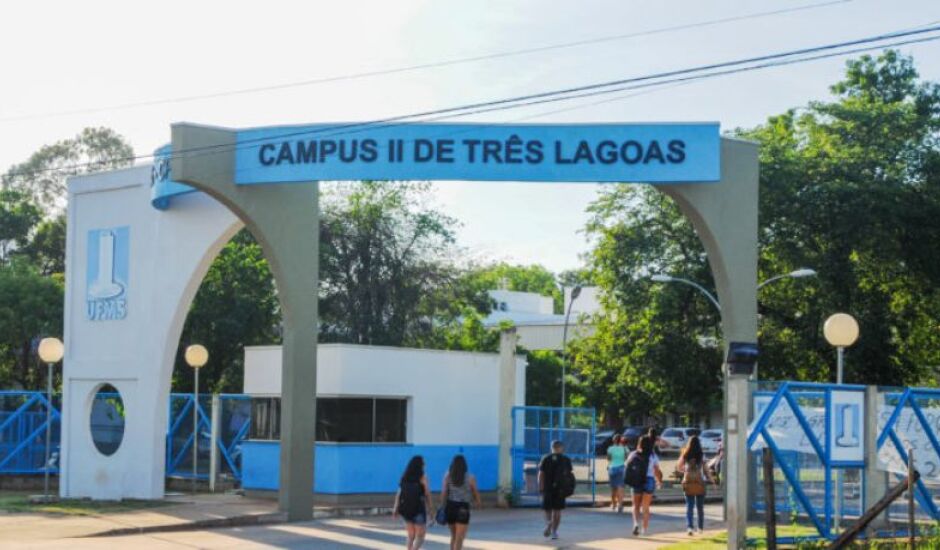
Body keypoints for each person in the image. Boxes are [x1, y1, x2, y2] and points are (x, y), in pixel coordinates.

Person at [441, 454, 482, 550]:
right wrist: (479, 503)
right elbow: (475, 492)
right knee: (459, 538)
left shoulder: (448, 476)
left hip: (450, 507)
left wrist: (443, 505)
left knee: (453, 536)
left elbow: (444, 492)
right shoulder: (470, 477)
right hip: (463, 508)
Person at [392, 455, 433, 550]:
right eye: (423, 463)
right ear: (420, 465)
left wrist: (395, 508)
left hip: (405, 509)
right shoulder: (423, 477)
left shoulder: (404, 476)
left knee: (411, 536)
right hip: (418, 510)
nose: (424, 465)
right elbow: (427, 494)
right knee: (420, 537)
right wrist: (431, 510)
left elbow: (399, 494)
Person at [625, 435, 663, 536]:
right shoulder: (653, 456)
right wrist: (659, 481)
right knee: (645, 507)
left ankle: (636, 524)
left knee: (635, 506)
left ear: (639, 443)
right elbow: (657, 470)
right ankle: (644, 530)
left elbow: (627, 466)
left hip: (636, 480)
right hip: (649, 480)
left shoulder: (634, 454)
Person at [677, 435, 715, 535]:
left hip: (688, 483)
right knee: (700, 507)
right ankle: (700, 528)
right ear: (699, 444)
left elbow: (679, 467)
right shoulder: (701, 456)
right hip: (700, 483)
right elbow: (706, 470)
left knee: (689, 506)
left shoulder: (685, 454)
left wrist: (685, 471)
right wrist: (712, 481)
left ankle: (690, 527)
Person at [538, 439, 573, 540]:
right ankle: (554, 531)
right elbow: (569, 475)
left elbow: (541, 474)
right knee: (557, 511)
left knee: (547, 509)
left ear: (552, 448)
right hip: (560, 489)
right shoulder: (566, 459)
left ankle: (549, 523)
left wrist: (541, 487)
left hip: (547, 488)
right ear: (561, 448)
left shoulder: (546, 458)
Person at [606, 434, 627, 512]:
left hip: (612, 468)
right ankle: (620, 505)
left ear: (613, 440)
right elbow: (625, 458)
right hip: (621, 468)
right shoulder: (623, 448)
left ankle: (614, 504)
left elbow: (608, 458)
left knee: (613, 488)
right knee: (620, 487)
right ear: (620, 440)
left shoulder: (610, 448)